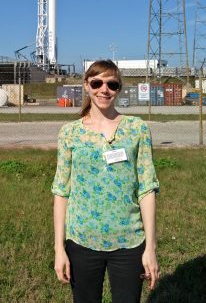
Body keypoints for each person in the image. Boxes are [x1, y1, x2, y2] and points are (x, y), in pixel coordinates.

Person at [52, 59, 160, 303]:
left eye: (112, 84)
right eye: (97, 82)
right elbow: (61, 191)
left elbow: (147, 189)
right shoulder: (69, 133)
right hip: (82, 242)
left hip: (129, 242)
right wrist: (60, 249)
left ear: (119, 89)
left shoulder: (137, 129)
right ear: (87, 85)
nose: (104, 89)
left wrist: (150, 248)